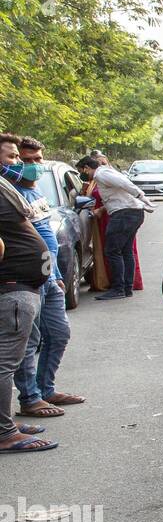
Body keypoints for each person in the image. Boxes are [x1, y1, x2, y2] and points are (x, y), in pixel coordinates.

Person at [3, 140, 81, 418]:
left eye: (38, 159)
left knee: (58, 334)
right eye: (23, 159)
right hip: (23, 282)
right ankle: (30, 398)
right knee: (28, 342)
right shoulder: (7, 193)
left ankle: (45, 388)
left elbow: (46, 238)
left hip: (48, 277)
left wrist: (56, 274)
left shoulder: (31, 193)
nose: (33, 166)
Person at [0, 135, 56, 453]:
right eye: (11, 157)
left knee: (12, 359)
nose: (18, 164)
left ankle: (5, 423)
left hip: (23, 287)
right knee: (5, 363)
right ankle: (5, 432)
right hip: (13, 288)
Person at [80, 154, 153, 299]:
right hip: (131, 213)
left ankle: (119, 288)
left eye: (82, 171)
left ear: (87, 168)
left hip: (124, 214)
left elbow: (126, 184)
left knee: (112, 251)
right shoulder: (105, 173)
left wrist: (143, 198)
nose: (82, 174)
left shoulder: (101, 174)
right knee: (126, 251)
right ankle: (126, 288)